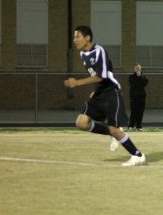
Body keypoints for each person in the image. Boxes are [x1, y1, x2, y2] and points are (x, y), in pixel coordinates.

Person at [64, 26, 146, 167]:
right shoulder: (83, 54)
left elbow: (101, 76)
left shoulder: (99, 51)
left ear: (87, 38)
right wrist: (95, 90)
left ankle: (137, 155)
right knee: (81, 122)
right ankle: (112, 133)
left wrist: (76, 83)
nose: (74, 40)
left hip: (110, 91)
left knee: (115, 129)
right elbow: (94, 75)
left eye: (77, 36)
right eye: (74, 37)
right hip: (99, 92)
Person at [128, 64, 149, 131]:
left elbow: (145, 83)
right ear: (134, 69)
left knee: (140, 112)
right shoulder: (131, 77)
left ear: (140, 69)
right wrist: (138, 79)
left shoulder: (143, 77)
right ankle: (131, 126)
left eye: (138, 68)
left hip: (141, 96)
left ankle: (138, 126)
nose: (137, 69)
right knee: (134, 111)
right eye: (136, 68)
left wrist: (140, 77)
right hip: (133, 96)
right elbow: (133, 84)